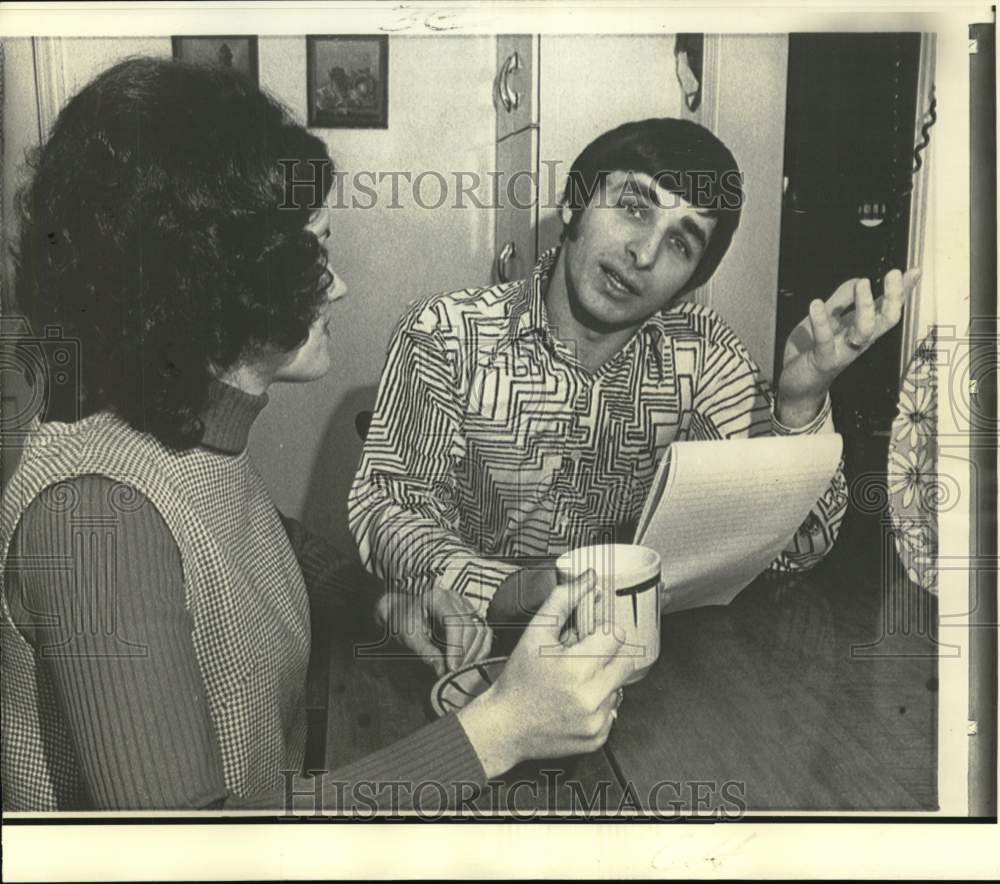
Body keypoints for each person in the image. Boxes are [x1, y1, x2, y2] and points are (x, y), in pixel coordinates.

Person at [0, 57, 632, 812]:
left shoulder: (180, 434)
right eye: (313, 252)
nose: (337, 285)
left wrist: (385, 602)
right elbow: (189, 856)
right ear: (209, 276)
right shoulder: (95, 521)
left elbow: (257, 539)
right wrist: (497, 732)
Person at [349, 117, 921, 673]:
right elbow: (389, 509)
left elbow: (797, 548)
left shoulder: (704, 355)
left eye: (680, 242)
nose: (644, 254)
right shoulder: (446, 333)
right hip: (464, 658)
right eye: (633, 207)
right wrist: (510, 590)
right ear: (574, 204)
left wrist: (801, 402)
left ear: (690, 284)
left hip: (636, 676)